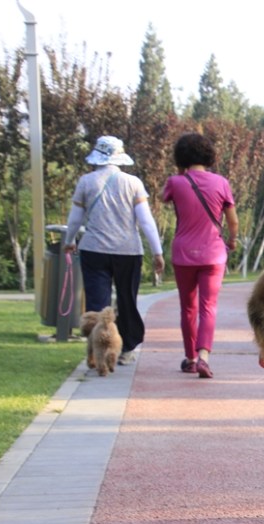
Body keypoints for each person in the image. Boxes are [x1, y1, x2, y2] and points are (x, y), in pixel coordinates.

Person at [63, 136, 165, 366]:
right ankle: (127, 348)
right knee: (127, 300)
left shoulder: (86, 182)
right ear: (119, 156)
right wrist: (157, 252)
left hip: (94, 249)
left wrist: (69, 240)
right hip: (128, 250)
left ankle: (96, 351)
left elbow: (75, 219)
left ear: (97, 156)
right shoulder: (133, 182)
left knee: (97, 303)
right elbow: (145, 221)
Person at [162, 132, 239, 380]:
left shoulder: (175, 182)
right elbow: (233, 221)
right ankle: (204, 355)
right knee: (209, 307)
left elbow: (165, 200)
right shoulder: (222, 183)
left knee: (188, 308)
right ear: (209, 155)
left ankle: (191, 359)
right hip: (214, 253)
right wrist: (232, 240)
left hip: (183, 252)